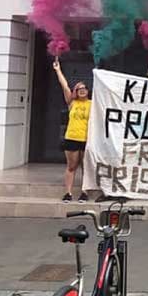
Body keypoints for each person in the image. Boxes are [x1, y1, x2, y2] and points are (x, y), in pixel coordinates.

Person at [53, 58, 91, 203]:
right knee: (71, 166)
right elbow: (65, 86)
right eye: (78, 89)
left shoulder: (93, 104)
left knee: (86, 167)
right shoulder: (72, 102)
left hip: (87, 139)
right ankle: (68, 193)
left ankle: (84, 193)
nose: (81, 91)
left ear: (87, 91)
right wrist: (58, 70)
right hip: (72, 138)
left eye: (84, 89)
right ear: (75, 91)